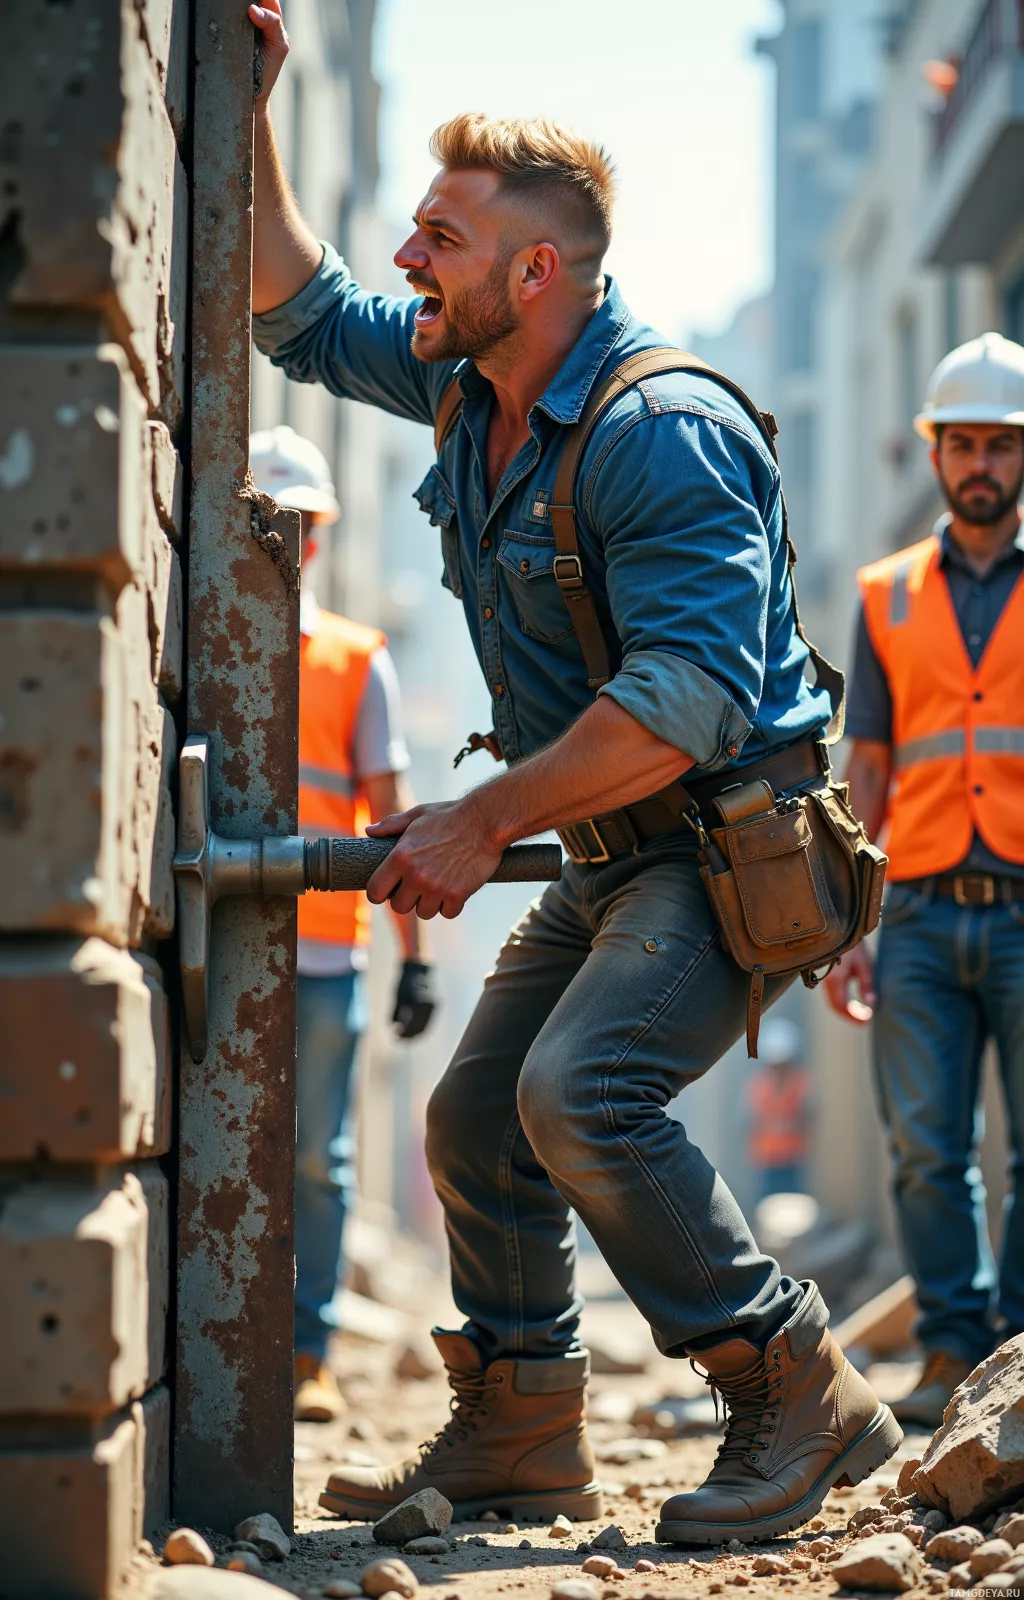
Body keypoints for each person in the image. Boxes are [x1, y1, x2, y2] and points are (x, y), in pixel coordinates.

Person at [247, 0, 899, 1543]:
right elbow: (300, 311)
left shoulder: (658, 429)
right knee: (475, 1120)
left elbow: (682, 703)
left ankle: (792, 1388)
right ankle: (525, 1429)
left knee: (581, 1093)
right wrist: (255, 101)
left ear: (533, 274)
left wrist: (483, 815)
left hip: (714, 845)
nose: (409, 260)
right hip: (613, 844)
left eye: (441, 238)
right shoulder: (475, 384)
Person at [826, 332, 1024, 1427]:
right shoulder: (887, 594)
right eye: (964, 443)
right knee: (923, 1151)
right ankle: (953, 1348)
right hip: (918, 911)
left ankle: (1022, 1354)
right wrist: (850, 921)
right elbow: (867, 767)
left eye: (1001, 442)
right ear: (935, 453)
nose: (981, 461)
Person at [249, 423, 439, 1423]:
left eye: (295, 521)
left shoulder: (357, 659)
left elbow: (397, 823)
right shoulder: (207, 644)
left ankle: (306, 1352)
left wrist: (415, 962)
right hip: (221, 943)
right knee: (229, 1143)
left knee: (317, 1164)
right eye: (264, 518)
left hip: (324, 949)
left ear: (318, 534)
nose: (281, 538)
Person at [745, 1017, 814, 1199]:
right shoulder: (760, 1085)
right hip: (767, 1160)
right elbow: (751, 1121)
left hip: (793, 1159)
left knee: (795, 1207)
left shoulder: (800, 1083)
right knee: (769, 1206)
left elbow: (809, 1116)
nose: (779, 1070)